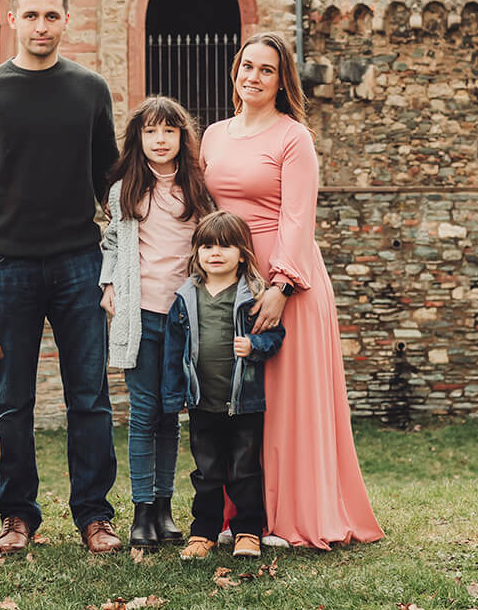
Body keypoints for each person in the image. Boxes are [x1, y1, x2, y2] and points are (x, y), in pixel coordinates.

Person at [0, 0, 124, 555]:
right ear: (13, 20)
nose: (41, 27)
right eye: (31, 16)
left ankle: (94, 516)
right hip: (6, 267)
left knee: (89, 397)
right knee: (15, 400)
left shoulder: (90, 89)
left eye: (52, 16)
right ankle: (19, 516)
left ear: (66, 21)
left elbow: (110, 181)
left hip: (79, 263)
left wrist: (122, 260)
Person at [200, 31, 383, 549]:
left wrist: (281, 285)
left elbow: (298, 217)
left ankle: (292, 516)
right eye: (247, 66)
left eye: (266, 70)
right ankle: (243, 517)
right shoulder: (213, 135)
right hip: (229, 278)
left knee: (285, 401)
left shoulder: (293, 137)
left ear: (282, 82)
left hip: (288, 277)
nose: (253, 77)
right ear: (235, 70)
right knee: (238, 400)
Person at [99, 95, 216, 547]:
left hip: (183, 317)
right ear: (138, 139)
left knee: (172, 413)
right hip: (139, 313)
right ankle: (141, 511)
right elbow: (111, 242)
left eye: (169, 130)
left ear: (182, 137)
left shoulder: (198, 189)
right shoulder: (125, 189)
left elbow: (211, 243)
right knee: (144, 412)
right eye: (150, 131)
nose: (160, 139)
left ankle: (165, 510)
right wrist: (108, 286)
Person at [161, 211, 284, 560]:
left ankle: (247, 531)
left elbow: (276, 335)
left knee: (245, 469)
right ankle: (204, 533)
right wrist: (174, 395)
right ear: (197, 252)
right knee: (207, 472)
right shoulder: (185, 298)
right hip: (203, 403)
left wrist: (254, 347)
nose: (216, 253)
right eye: (208, 246)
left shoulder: (252, 295)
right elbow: (174, 351)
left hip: (244, 401)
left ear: (242, 254)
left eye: (226, 246)